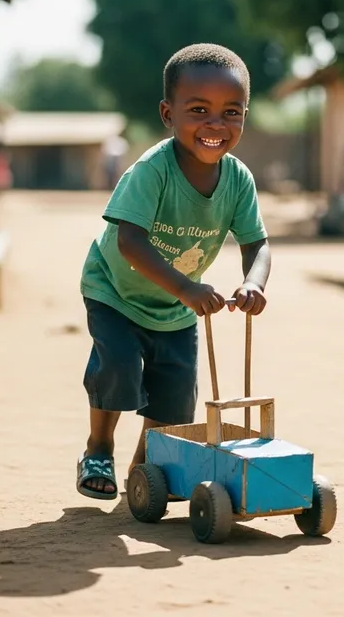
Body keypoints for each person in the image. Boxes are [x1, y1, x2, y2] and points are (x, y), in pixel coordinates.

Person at [76, 43, 271, 500]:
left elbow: (257, 243)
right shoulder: (152, 170)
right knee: (120, 368)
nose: (215, 125)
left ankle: (147, 469)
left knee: (174, 396)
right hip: (116, 292)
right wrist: (186, 286)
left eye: (231, 112)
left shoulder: (238, 180)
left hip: (176, 309)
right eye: (199, 110)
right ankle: (98, 448)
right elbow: (129, 242)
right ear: (168, 113)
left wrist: (253, 282)